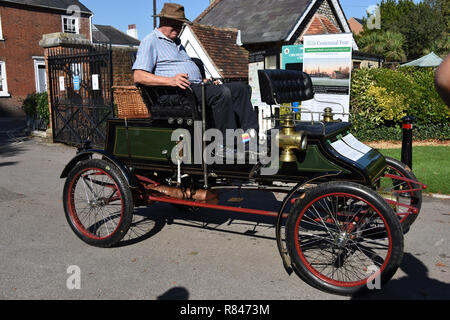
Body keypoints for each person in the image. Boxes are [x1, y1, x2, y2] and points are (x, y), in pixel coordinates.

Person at [132, 3, 259, 148]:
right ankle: (227, 143)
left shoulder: (177, 43)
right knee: (222, 93)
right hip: (174, 94)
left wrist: (203, 80)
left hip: (193, 88)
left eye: (180, 24)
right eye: (175, 23)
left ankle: (248, 137)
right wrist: (171, 80)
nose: (178, 28)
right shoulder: (151, 41)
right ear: (163, 21)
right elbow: (139, 76)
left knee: (240, 88)